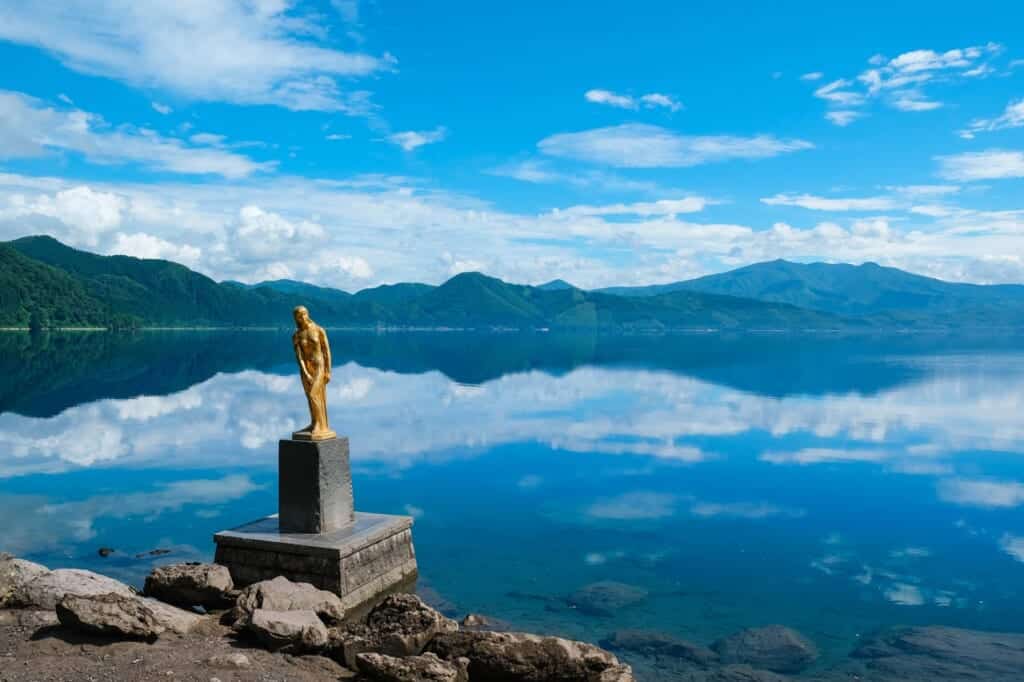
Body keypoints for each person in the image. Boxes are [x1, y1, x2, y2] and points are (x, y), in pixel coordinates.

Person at [292, 305, 335, 440]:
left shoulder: (318, 330)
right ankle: (314, 423)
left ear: (308, 314)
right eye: (299, 316)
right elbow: (299, 357)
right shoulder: (297, 335)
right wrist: (305, 373)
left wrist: (328, 370)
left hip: (319, 366)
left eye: (304, 314)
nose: (302, 317)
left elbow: (326, 352)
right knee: (309, 397)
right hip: (306, 369)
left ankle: (319, 425)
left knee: (313, 394)